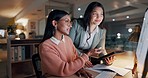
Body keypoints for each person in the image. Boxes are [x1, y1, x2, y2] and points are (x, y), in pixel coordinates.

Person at [39, 10, 102, 77]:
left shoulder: (68, 40)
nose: (70, 25)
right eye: (66, 21)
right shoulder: (45, 46)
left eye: (70, 21)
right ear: (55, 23)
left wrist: (78, 69)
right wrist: (87, 55)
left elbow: (74, 59)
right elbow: (64, 69)